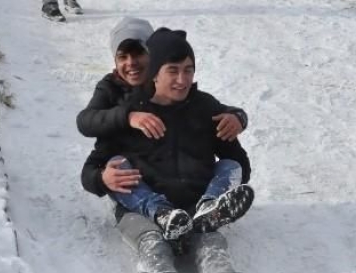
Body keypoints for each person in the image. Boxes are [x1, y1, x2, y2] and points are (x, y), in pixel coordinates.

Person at [78, 27, 293, 273]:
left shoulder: (205, 108)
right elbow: (90, 169)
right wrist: (103, 179)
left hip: (194, 210)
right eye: (173, 71)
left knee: (210, 242)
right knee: (152, 243)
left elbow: (240, 164)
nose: (182, 80)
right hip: (144, 212)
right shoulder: (131, 115)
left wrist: (236, 123)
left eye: (188, 70)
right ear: (154, 73)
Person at [77, 17, 252, 241]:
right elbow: (86, 121)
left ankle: (208, 212)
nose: (132, 63)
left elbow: (220, 122)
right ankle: (162, 218)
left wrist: (238, 117)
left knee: (211, 229)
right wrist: (127, 118)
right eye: (123, 56)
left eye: (139, 54)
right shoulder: (113, 94)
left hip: (190, 194)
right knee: (119, 166)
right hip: (143, 196)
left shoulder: (196, 103)